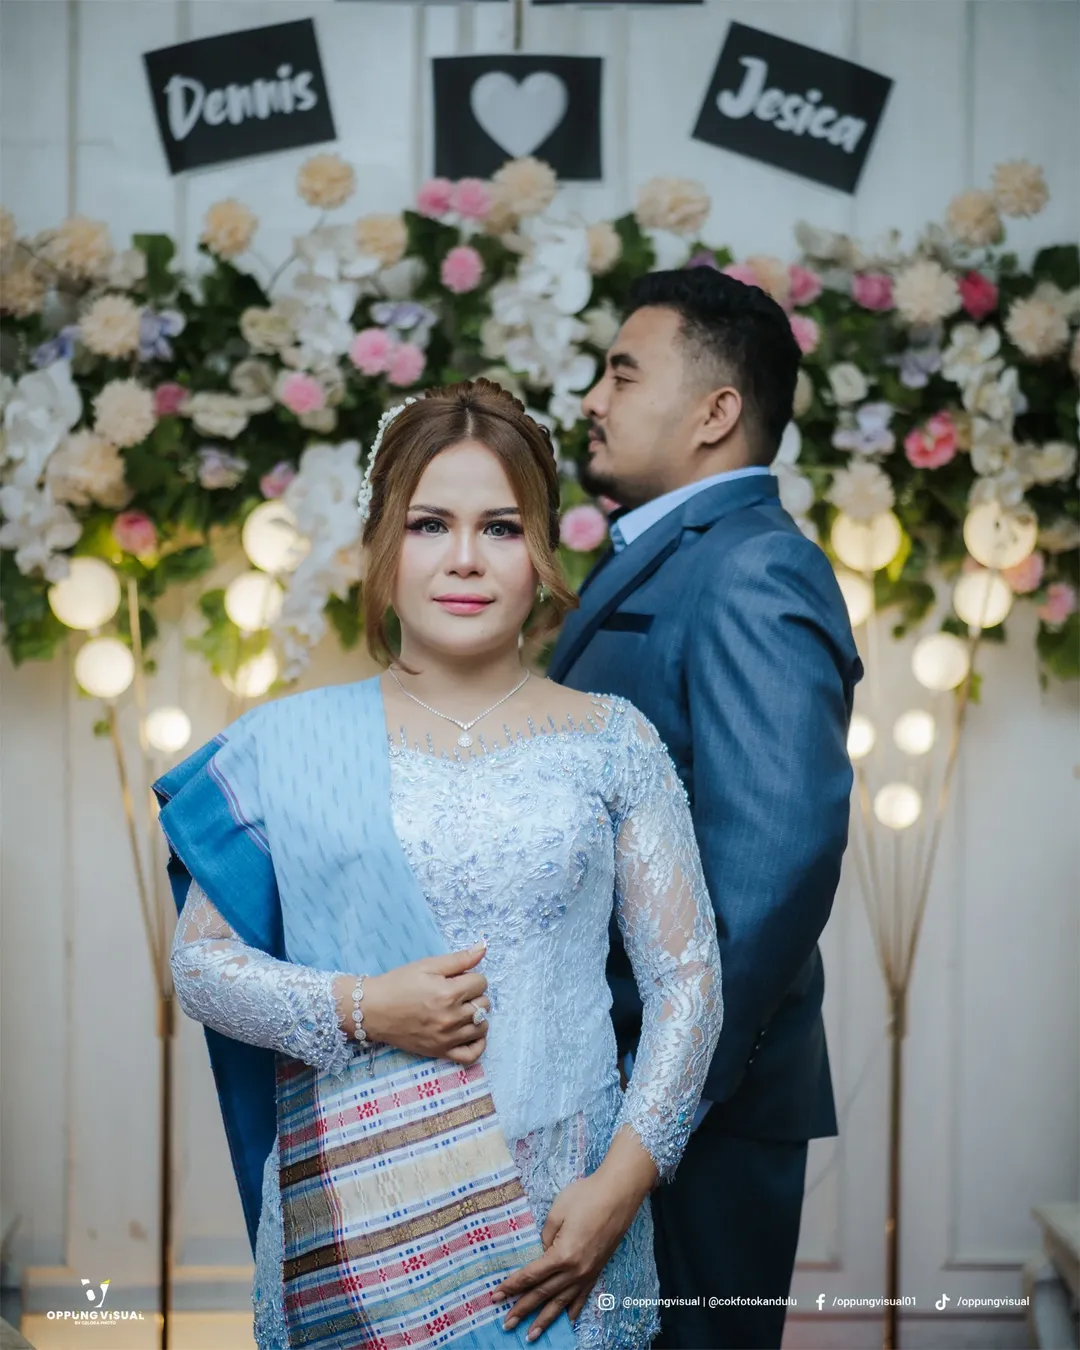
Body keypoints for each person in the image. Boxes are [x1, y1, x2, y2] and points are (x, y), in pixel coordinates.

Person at [154, 378, 723, 1350]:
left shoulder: (613, 742)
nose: (465, 558)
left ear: (541, 549)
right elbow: (199, 966)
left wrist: (621, 1185)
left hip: (567, 1208)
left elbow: (688, 982)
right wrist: (364, 1008)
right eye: (429, 525)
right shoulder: (286, 744)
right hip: (363, 1212)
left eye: (500, 527)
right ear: (383, 547)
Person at [547, 269, 864, 1350]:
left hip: (690, 1114)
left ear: (716, 411)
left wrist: (658, 1110)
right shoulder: (671, 556)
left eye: (622, 373)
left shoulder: (753, 568)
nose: (593, 399)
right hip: (620, 1085)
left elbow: (774, 866)